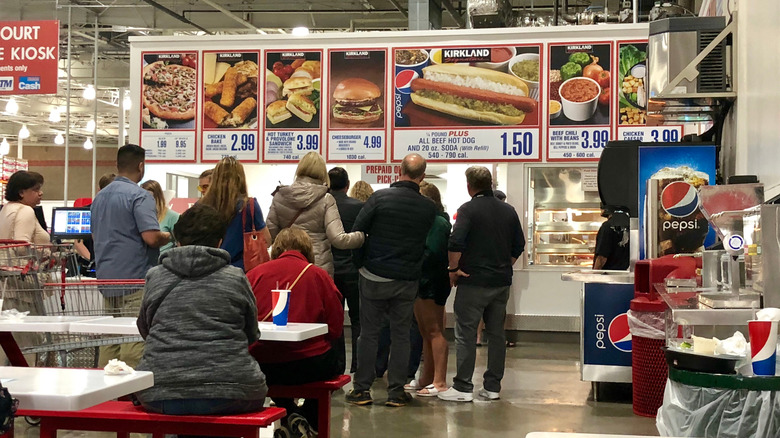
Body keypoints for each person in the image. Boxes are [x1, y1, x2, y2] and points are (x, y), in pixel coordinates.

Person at [135, 203, 267, 416]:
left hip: (159, 390)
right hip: (232, 390)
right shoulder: (235, 278)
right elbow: (252, 334)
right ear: (220, 242)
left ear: (177, 241)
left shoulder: (156, 277)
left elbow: (145, 328)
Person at [345, 153, 436, 408]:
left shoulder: (379, 198)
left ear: (400, 170)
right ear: (422, 176)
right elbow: (426, 243)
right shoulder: (428, 207)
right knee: (401, 335)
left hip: (373, 275)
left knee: (369, 334)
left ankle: (362, 389)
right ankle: (396, 391)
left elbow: (358, 233)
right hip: (406, 279)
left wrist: (360, 263)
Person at [438, 166, 525, 403]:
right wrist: (503, 264)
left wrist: (453, 269)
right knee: (496, 334)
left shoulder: (467, 210)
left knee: (466, 333)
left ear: (469, 186)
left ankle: (463, 387)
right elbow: (519, 244)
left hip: (473, 281)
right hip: (500, 283)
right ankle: (492, 387)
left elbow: (455, 241)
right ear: (491, 184)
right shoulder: (508, 211)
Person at [247, 227, 343, 436]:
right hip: (309, 365)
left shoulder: (254, 274)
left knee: (273, 365)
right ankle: (307, 419)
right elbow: (335, 326)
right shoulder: (319, 275)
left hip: (262, 364)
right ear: (308, 250)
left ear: (276, 250)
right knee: (333, 353)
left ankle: (287, 411)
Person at [91, 144, 172, 368]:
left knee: (110, 340)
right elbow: (151, 238)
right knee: (133, 341)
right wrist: (167, 235)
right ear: (141, 166)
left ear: (117, 165)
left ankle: (106, 396)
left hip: (106, 279)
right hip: (134, 280)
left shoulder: (100, 197)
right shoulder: (139, 196)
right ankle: (131, 396)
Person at [266, 152, 363, 277]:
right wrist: (362, 237)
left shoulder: (280, 196)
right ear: (323, 173)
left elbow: (269, 236)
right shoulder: (326, 198)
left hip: (285, 264)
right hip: (317, 267)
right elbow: (338, 239)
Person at [414, 181, 452, 397]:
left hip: (432, 280)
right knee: (425, 332)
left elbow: (434, 253)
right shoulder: (431, 221)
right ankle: (426, 378)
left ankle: (439, 381)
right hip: (422, 280)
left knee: (434, 330)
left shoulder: (437, 223)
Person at [200, 157, 271, 270]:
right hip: (242, 270)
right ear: (240, 178)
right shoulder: (249, 206)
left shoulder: (202, 206)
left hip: (208, 268)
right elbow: (266, 239)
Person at [327, 166, 364, 373]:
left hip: (330, 271)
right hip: (354, 271)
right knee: (359, 320)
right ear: (347, 185)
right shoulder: (359, 207)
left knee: (334, 320)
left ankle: (337, 366)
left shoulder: (323, 206)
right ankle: (358, 367)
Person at [0, 171, 48, 244]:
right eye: (36, 189)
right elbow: (22, 247)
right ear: (21, 193)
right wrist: (47, 251)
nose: (41, 193)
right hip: (26, 256)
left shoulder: (6, 207)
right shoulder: (25, 210)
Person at [141, 180, 180, 253]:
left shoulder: (172, 216)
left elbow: (181, 244)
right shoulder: (140, 216)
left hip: (164, 261)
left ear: (158, 197)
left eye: (150, 198)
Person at [593, 206, 630, 270]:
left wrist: (595, 274)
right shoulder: (629, 225)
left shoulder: (607, 226)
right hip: (623, 272)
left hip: (608, 275)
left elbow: (602, 257)